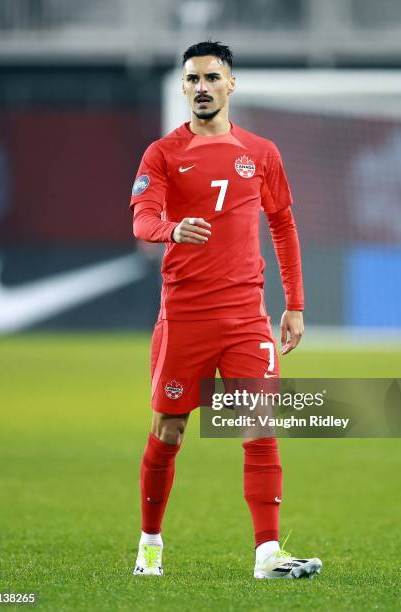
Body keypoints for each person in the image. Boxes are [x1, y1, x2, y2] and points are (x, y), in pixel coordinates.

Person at [129, 40, 322, 580]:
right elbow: (142, 220)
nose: (202, 88)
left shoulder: (261, 153)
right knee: (169, 431)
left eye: (212, 78)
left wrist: (295, 305)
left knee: (259, 426)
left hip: (245, 317)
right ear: (183, 87)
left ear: (231, 84)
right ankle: (150, 544)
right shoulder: (162, 153)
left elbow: (283, 225)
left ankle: (268, 555)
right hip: (185, 317)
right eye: (192, 79)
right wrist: (172, 228)